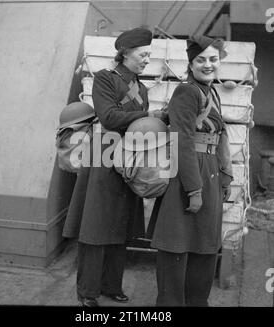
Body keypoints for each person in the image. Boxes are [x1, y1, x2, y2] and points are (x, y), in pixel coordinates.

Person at [62, 27, 167, 307]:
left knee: (120, 227)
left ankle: (111, 286)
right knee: (96, 227)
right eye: (143, 54)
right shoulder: (105, 79)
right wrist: (149, 114)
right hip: (105, 156)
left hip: (131, 158)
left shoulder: (142, 88)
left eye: (148, 54)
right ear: (126, 54)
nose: (147, 59)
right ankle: (87, 292)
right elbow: (109, 118)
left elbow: (138, 126)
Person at [150, 35, 233, 306]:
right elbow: (182, 141)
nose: (208, 65)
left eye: (213, 59)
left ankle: (197, 302)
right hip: (188, 176)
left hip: (210, 172)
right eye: (201, 60)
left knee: (204, 245)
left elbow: (221, 135)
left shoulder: (212, 91)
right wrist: (194, 189)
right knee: (177, 244)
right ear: (191, 62)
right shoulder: (187, 91)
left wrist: (225, 174)